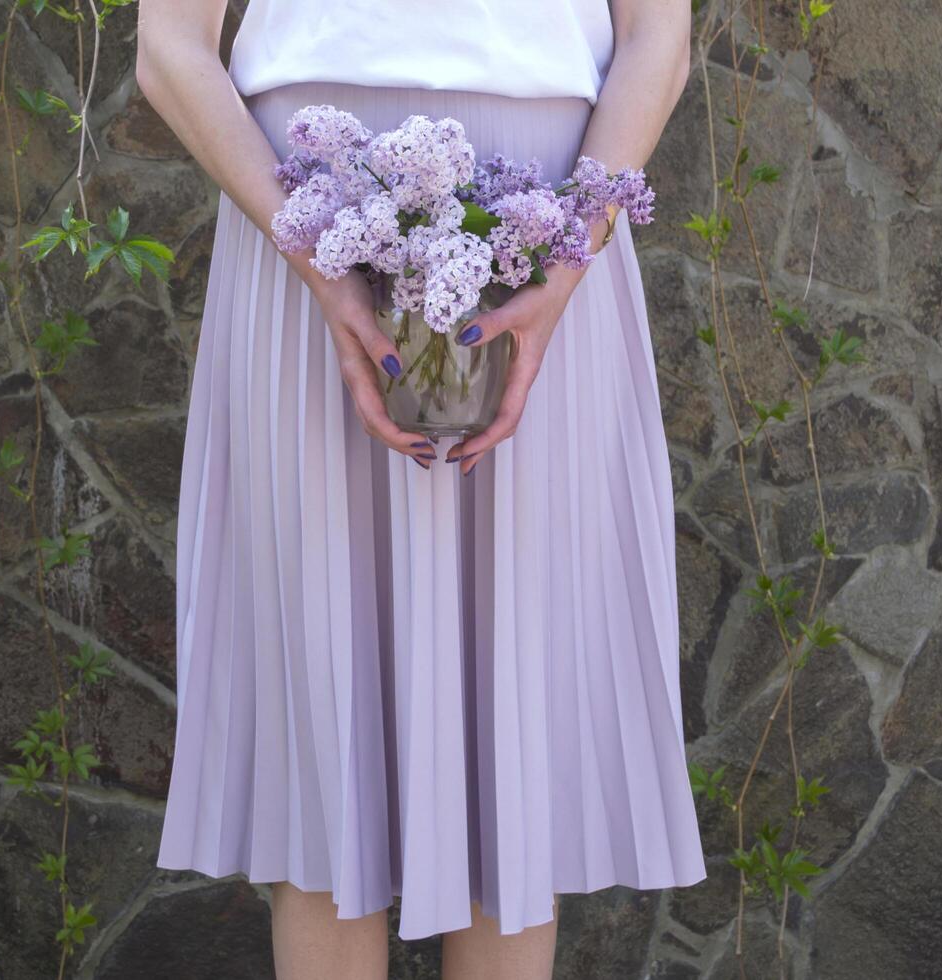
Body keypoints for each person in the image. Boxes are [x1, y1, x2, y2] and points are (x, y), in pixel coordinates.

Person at [137, 1, 703, 976]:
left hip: (542, 225)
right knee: (321, 739)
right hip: (303, 218)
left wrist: (565, 264)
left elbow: (660, 37)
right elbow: (167, 50)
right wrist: (317, 264)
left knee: (511, 750)